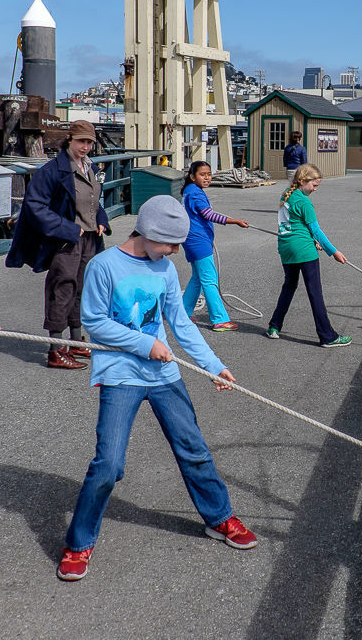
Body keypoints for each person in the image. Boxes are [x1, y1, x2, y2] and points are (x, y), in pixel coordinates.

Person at [57, 195, 257, 582]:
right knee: (108, 464)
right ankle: (79, 543)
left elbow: (180, 323)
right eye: (169, 243)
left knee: (194, 448)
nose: (175, 252)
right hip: (121, 374)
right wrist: (145, 344)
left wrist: (214, 366)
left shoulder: (164, 269)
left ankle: (219, 518)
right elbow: (93, 322)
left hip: (164, 376)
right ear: (147, 233)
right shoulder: (103, 265)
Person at [6, 119, 110, 370]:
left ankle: (75, 341)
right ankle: (55, 349)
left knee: (82, 288)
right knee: (62, 288)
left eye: (89, 142)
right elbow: (34, 207)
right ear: (69, 140)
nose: (85, 147)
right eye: (80, 141)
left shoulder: (91, 168)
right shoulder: (52, 171)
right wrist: (68, 229)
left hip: (89, 238)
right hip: (66, 239)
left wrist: (102, 220)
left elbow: (95, 200)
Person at [265, 164, 351, 347]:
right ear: (303, 181)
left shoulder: (286, 194)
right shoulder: (304, 202)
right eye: (314, 185)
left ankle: (274, 326)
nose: (315, 189)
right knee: (315, 292)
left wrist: (311, 239)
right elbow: (316, 230)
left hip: (286, 247)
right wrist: (333, 251)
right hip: (304, 250)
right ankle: (328, 336)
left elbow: (292, 225)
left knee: (289, 286)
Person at [181, 160, 249, 331]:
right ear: (192, 176)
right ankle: (219, 320)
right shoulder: (195, 193)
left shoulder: (191, 190)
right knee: (210, 280)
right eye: (202, 175)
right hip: (198, 241)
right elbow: (208, 214)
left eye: (209, 174)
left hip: (193, 240)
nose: (207, 178)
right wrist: (235, 221)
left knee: (197, 278)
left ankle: (182, 313)